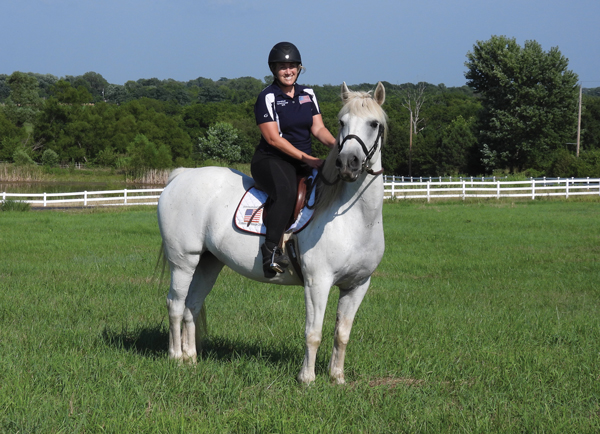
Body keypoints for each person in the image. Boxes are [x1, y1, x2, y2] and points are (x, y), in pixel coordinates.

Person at [251, 41, 336, 278]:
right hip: (271, 160)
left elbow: (318, 128)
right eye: (282, 67)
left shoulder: (308, 93)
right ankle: (270, 254)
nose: (288, 71)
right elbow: (273, 139)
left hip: (303, 159)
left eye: (292, 66)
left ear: (299, 68)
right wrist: (308, 159)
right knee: (286, 193)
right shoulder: (267, 97)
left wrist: (339, 146)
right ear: (273, 70)